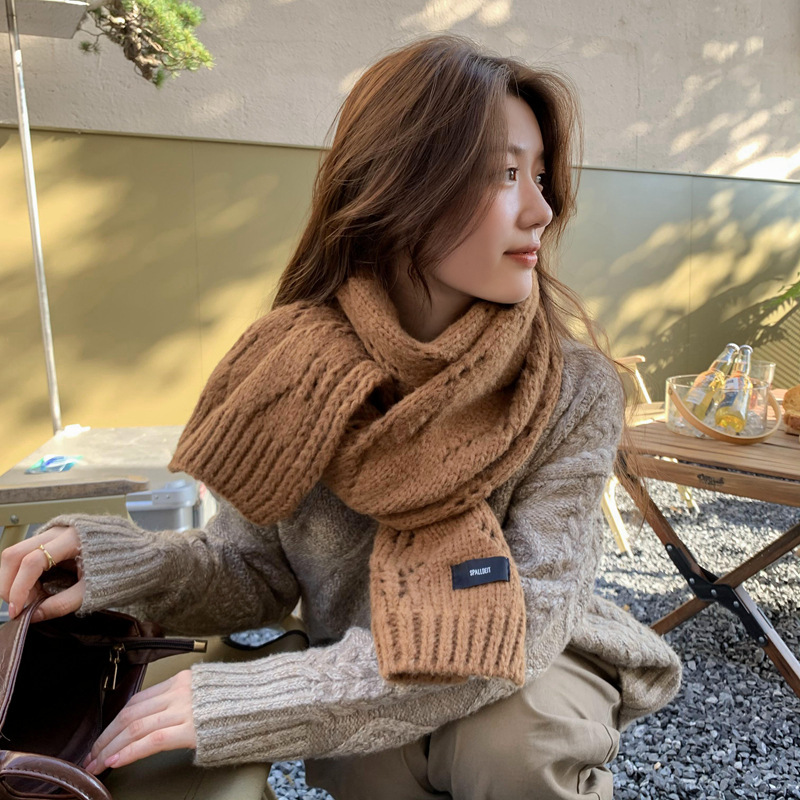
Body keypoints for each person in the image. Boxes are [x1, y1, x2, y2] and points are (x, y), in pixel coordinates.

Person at [0, 35, 681, 800]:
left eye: (543, 177)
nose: (543, 210)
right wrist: (116, 565)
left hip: (536, 657)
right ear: (401, 185)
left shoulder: (572, 387)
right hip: (367, 658)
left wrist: (260, 698)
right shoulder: (291, 369)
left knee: (512, 742)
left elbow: (530, 617)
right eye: (505, 175)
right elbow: (251, 570)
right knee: (378, 760)